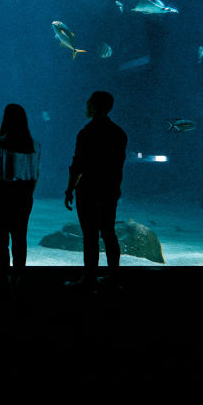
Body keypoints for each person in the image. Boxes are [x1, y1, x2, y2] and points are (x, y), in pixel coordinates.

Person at [64, 91, 128, 291]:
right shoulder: (119, 133)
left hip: (88, 190)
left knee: (90, 235)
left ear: (92, 105)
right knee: (109, 233)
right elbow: (118, 166)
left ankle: (90, 279)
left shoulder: (87, 133)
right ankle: (113, 278)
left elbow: (78, 165)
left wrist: (69, 189)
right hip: (110, 189)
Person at [0, 103, 40, 291]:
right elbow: (35, 175)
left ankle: (4, 277)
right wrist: (27, 195)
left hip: (1, 195)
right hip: (24, 196)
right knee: (20, 237)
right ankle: (19, 277)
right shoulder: (35, 145)